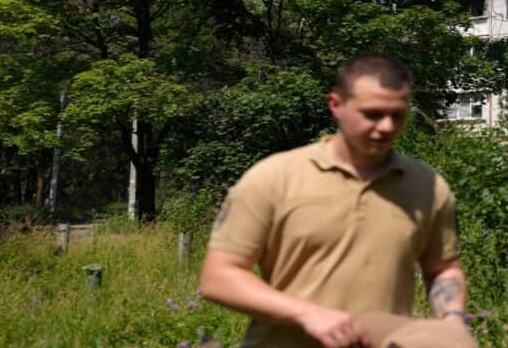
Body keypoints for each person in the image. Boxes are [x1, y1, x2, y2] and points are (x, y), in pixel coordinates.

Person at [200, 54, 476, 348]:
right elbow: (219, 277)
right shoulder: (274, 178)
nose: (386, 126)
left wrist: (451, 324)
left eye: (397, 115)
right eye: (372, 114)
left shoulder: (428, 186)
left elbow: (442, 269)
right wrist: (307, 313)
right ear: (336, 105)